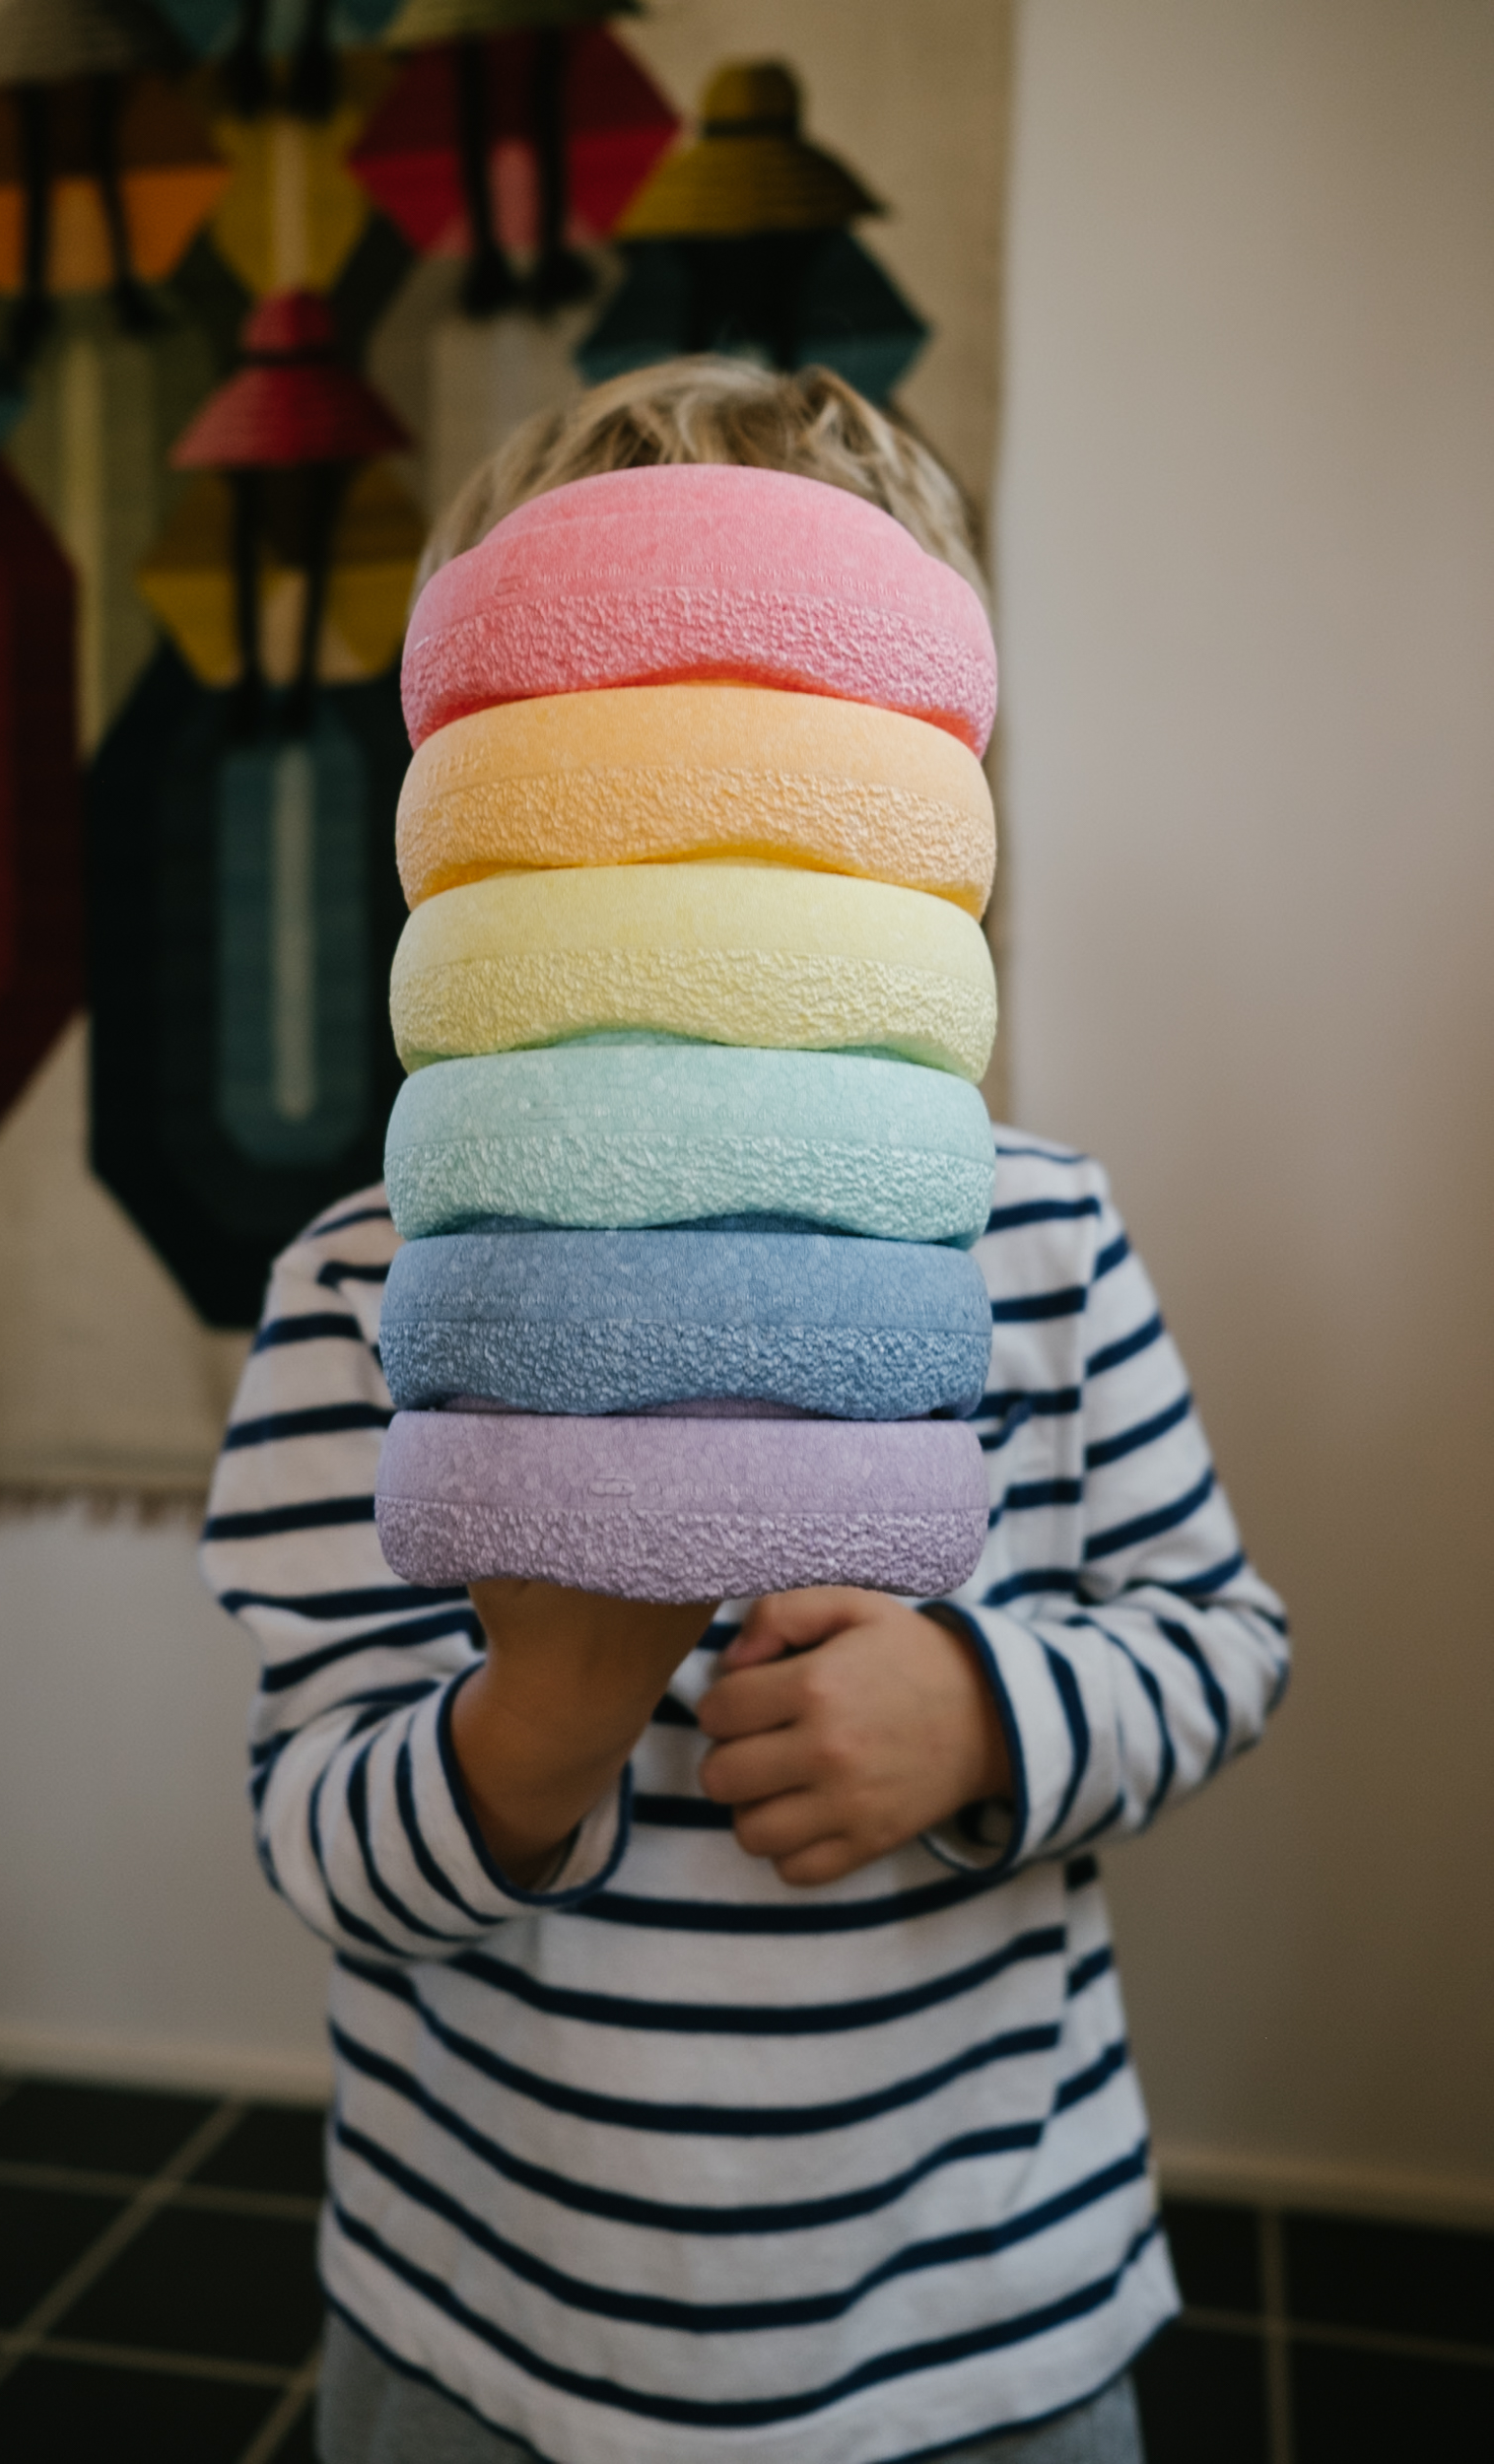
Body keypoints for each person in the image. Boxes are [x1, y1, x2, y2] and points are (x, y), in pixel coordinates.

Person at [200, 358, 1289, 2464]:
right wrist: (543, 1713)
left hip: (982, 2309)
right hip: (488, 2312)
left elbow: (1221, 1643)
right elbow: (317, 1822)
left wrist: (984, 1711)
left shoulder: (1038, 1237)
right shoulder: (375, 1282)